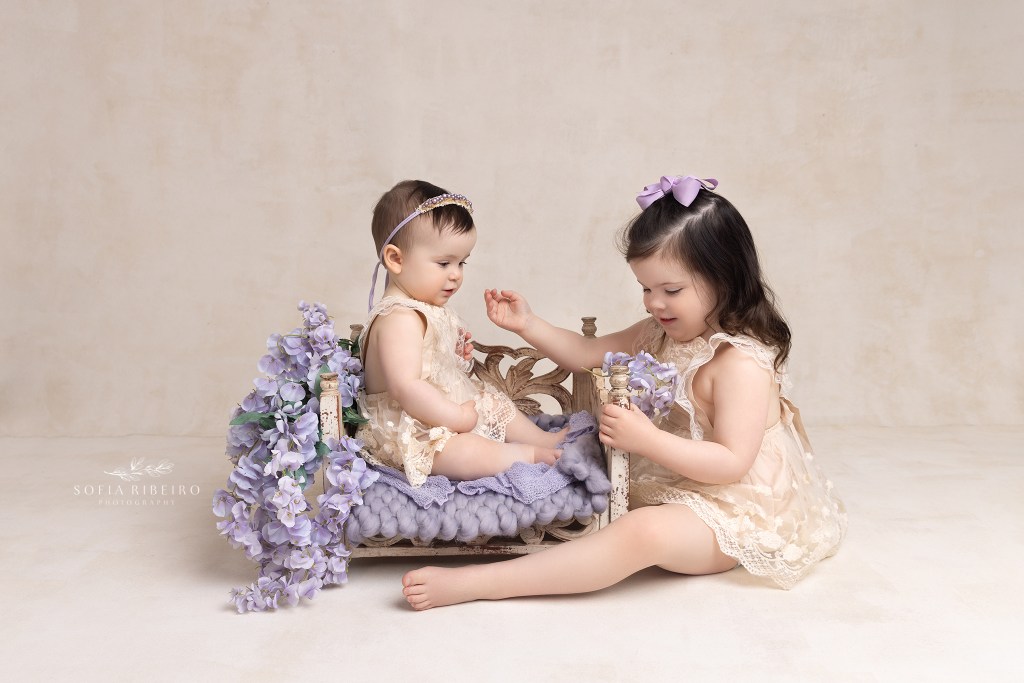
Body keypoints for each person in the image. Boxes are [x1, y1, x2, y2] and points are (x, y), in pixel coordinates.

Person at [401, 174, 847, 609]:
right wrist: (528, 324)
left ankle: (482, 583)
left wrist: (648, 440)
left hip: (736, 507)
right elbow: (585, 352)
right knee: (570, 468)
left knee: (642, 533)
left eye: (671, 290)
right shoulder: (661, 333)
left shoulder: (738, 363)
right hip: (678, 478)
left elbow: (732, 463)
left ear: (725, 278)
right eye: (645, 288)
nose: (654, 303)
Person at [357, 180, 565, 489]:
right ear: (396, 259)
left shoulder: (423, 308)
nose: (456, 274)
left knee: (494, 403)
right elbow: (406, 387)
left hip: (438, 412)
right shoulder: (397, 318)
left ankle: (545, 439)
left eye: (461, 262)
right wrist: (455, 418)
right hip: (408, 433)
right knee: (466, 452)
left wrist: (454, 359)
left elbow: (430, 371)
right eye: (443, 263)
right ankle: (529, 455)